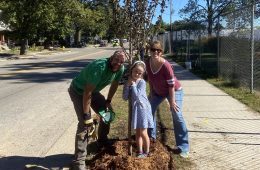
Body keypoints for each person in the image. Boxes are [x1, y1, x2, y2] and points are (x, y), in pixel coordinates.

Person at [68, 50, 126, 170]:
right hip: (78, 92)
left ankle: (102, 140)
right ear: (111, 58)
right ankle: (78, 162)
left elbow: (115, 84)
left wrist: (108, 101)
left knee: (108, 115)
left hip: (92, 92)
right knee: (85, 125)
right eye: (116, 60)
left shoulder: (120, 68)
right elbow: (87, 93)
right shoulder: (99, 67)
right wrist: (86, 116)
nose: (118, 64)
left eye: (121, 62)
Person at [145, 41, 190, 158]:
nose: (155, 52)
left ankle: (183, 147)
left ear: (161, 52)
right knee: (149, 111)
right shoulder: (147, 63)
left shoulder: (166, 65)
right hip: (158, 92)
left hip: (174, 91)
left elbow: (171, 85)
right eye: (153, 50)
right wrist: (151, 92)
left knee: (177, 114)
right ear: (149, 51)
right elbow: (150, 79)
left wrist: (172, 101)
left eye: (158, 50)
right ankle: (151, 138)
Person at [122, 61, 154, 158]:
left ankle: (147, 152)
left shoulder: (142, 82)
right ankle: (140, 151)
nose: (137, 74)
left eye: (140, 73)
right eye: (135, 71)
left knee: (144, 131)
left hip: (143, 108)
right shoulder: (129, 82)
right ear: (131, 70)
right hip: (136, 110)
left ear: (142, 74)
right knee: (137, 132)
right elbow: (125, 97)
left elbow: (137, 96)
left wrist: (133, 85)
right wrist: (127, 85)